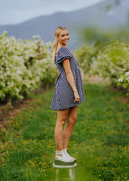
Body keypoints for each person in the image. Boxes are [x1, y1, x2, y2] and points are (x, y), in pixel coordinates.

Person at [50, 26, 85, 166]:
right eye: (62, 35)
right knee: (62, 120)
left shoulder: (62, 49)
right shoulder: (63, 50)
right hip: (67, 88)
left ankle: (64, 151)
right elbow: (68, 73)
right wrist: (75, 91)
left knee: (72, 119)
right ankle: (59, 154)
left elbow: (61, 72)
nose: (66, 37)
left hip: (69, 87)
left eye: (67, 34)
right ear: (57, 37)